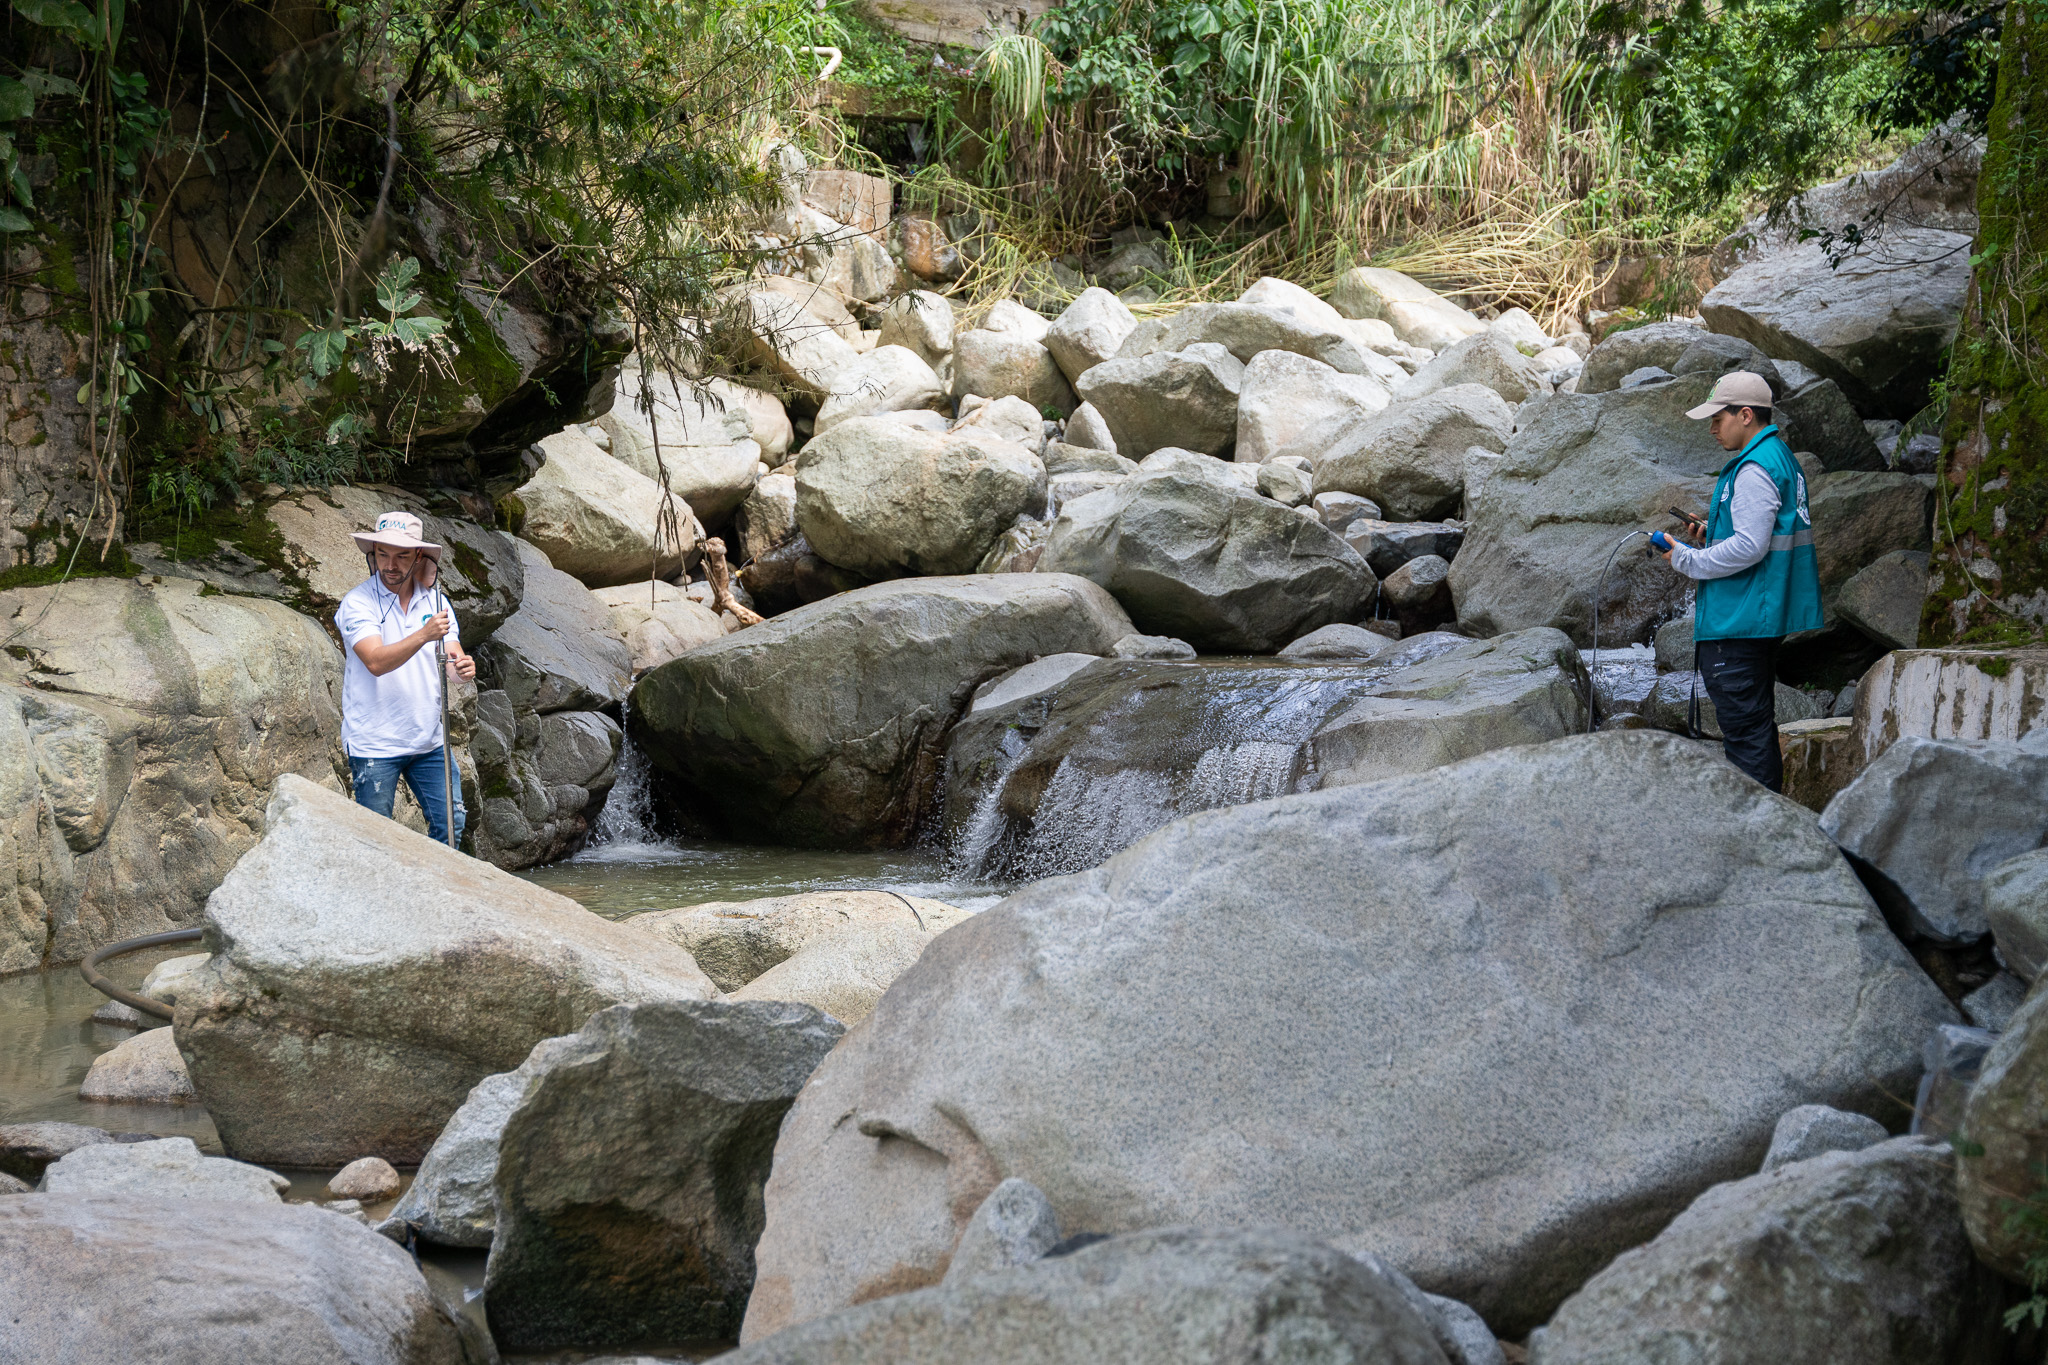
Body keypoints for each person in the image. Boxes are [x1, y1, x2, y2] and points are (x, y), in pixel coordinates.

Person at [1657, 370, 1823, 792]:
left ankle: (1759, 839)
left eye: (1718, 418)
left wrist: (1687, 559)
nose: (1712, 428)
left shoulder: (1753, 469)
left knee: (1747, 743)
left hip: (1741, 620)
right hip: (1758, 616)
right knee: (1755, 732)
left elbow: (1750, 547)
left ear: (1746, 415)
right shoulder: (1778, 457)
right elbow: (1760, 532)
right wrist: (1714, 532)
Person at [337, 511, 477, 845]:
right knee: (376, 839)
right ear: (373, 554)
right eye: (382, 554)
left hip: (428, 740)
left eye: (401, 556)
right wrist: (424, 635)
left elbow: (450, 658)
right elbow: (374, 661)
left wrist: (461, 669)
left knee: (451, 825)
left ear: (418, 556)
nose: (390, 564)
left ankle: (437, 895)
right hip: (375, 742)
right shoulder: (357, 603)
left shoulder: (436, 600)